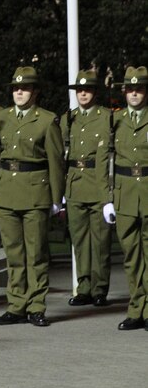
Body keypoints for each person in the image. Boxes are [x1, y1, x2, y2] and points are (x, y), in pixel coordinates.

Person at [0, 66, 65, 327]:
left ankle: (36, 306)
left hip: (35, 192)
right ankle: (16, 305)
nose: (19, 92)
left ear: (35, 92)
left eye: (25, 88)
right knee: (13, 254)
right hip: (7, 190)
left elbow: (55, 161)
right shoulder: (1, 117)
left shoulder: (46, 120)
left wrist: (57, 198)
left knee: (36, 254)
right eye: (16, 88)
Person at [97, 65, 148, 331]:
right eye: (131, 89)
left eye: (139, 89)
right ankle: (136, 309)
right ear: (125, 92)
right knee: (131, 256)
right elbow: (104, 160)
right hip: (124, 194)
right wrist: (106, 199)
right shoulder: (114, 121)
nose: (135, 93)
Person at [61, 70, 112, 307]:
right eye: (79, 90)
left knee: (100, 241)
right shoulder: (68, 119)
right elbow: (60, 153)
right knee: (80, 241)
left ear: (94, 92)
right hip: (74, 185)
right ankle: (84, 288)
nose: (83, 94)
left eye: (87, 89)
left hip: (97, 182)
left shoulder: (107, 117)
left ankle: (100, 288)